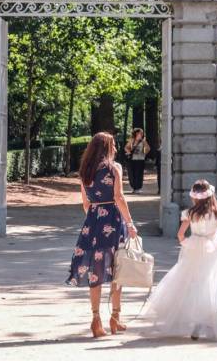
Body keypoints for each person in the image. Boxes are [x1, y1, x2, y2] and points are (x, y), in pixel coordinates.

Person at [141, 179, 217, 340]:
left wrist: (188, 244)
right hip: (213, 248)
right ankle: (211, 324)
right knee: (214, 284)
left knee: (192, 283)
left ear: (194, 197)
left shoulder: (189, 213)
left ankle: (196, 324)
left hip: (194, 248)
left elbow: (180, 235)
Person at [66, 132, 138, 338]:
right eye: (113, 145)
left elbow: (86, 204)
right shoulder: (114, 168)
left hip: (93, 221)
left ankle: (96, 319)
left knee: (95, 271)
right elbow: (119, 197)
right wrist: (130, 223)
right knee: (118, 269)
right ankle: (115, 318)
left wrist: (95, 219)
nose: (115, 148)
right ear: (107, 147)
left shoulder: (85, 171)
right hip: (113, 221)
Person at [124, 128, 149, 194]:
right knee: (132, 174)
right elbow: (126, 148)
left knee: (139, 174)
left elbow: (147, 149)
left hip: (140, 159)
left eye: (141, 133)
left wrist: (144, 150)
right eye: (139, 133)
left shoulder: (143, 141)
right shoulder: (132, 140)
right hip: (132, 160)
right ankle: (134, 187)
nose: (140, 135)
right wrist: (129, 151)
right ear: (135, 134)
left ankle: (138, 187)